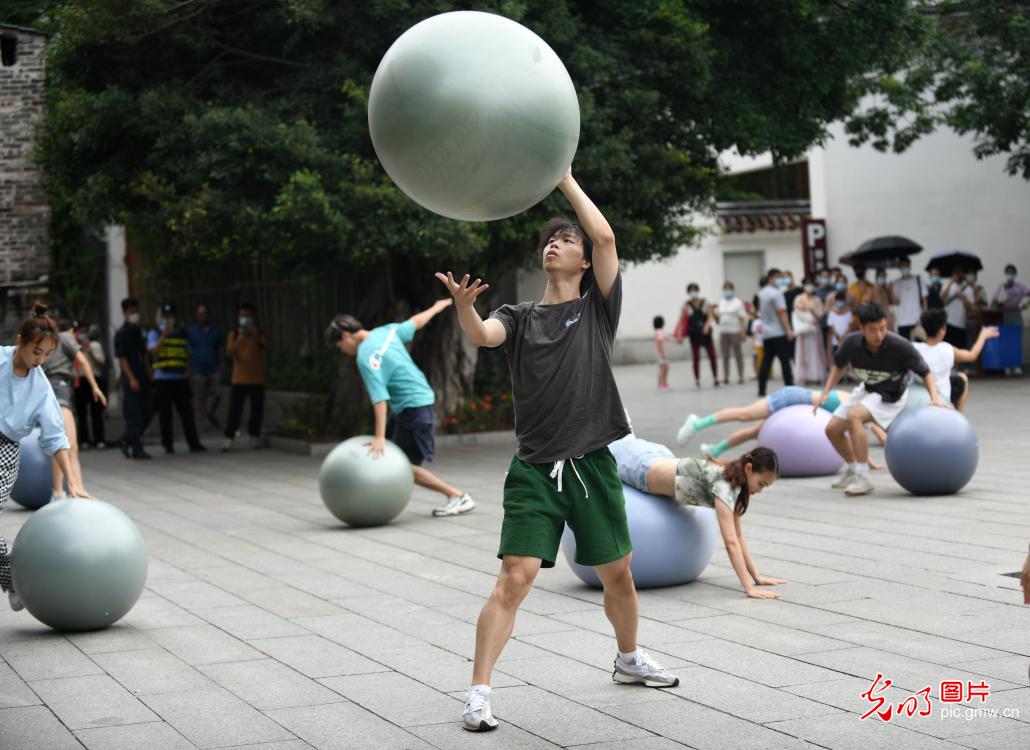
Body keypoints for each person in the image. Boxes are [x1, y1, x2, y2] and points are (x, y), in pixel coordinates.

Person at [437, 167, 679, 733]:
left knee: (618, 575)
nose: (555, 243)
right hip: (535, 470)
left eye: (565, 240)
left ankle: (627, 658)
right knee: (514, 578)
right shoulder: (518, 317)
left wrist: (563, 176)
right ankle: (478, 692)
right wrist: (464, 306)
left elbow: (607, 239)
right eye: (549, 238)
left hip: (594, 461)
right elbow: (481, 336)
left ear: (584, 263)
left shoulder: (598, 308)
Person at [326, 300, 476, 518]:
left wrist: (378, 437)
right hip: (414, 403)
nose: (343, 351)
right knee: (389, 454)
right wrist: (436, 307)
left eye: (340, 347)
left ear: (345, 336)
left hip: (413, 408)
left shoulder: (366, 357)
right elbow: (415, 322)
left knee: (404, 466)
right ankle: (375, 498)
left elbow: (379, 399)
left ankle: (457, 495)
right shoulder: (385, 332)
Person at [609, 435, 786, 598]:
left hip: (660, 457)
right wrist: (749, 588)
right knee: (605, 443)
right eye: (761, 483)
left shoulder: (733, 481)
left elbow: (739, 537)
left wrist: (757, 577)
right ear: (748, 469)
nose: (760, 490)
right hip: (641, 465)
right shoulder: (724, 487)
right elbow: (731, 543)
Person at [2, 304, 92, 611]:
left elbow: (56, 437)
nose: (39, 360)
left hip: (6, 451)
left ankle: (11, 578)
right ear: (20, 341)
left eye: (46, 355)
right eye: (35, 351)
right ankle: (10, 577)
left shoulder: (41, 386)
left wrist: (71, 482)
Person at [816, 303, 941, 496]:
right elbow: (838, 365)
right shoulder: (851, 343)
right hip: (869, 387)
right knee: (832, 430)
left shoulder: (899, 346)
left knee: (854, 416)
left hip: (892, 394)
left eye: (883, 328)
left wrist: (935, 399)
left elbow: (926, 373)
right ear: (862, 328)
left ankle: (864, 477)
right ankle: (852, 469)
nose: (879, 335)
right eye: (873, 330)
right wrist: (825, 392)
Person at [677, 385, 886, 459]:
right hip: (792, 398)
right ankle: (696, 424)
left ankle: (714, 451)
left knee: (755, 433)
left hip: (795, 411)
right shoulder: (856, 406)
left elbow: (858, 443)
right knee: (745, 414)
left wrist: (867, 462)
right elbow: (879, 435)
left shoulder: (860, 412)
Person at [43, 318, 106, 499]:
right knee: (67, 444)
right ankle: (62, 492)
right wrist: (95, 386)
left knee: (65, 443)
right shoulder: (65, 337)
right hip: (59, 388)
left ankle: (72, 491)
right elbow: (84, 361)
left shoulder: (51, 341)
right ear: (72, 331)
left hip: (53, 389)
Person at [913, 309, 998, 412]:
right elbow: (972, 355)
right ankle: (959, 415)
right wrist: (983, 336)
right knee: (963, 377)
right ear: (942, 330)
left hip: (918, 396)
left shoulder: (915, 348)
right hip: (942, 397)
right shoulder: (947, 349)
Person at [149, 303, 206, 454]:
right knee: (165, 414)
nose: (169, 319)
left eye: (171, 316)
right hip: (163, 379)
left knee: (187, 413)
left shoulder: (182, 332)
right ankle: (167, 445)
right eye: (166, 316)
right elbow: (154, 351)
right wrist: (164, 335)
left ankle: (194, 443)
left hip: (180, 378)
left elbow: (188, 355)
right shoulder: (155, 332)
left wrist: (189, 373)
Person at [222, 303, 269, 450]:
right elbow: (230, 352)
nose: (244, 318)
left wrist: (256, 335)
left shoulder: (258, 332)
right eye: (242, 315)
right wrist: (240, 338)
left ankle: (254, 436)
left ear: (253, 317)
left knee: (257, 409)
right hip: (239, 379)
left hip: (257, 378)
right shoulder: (234, 334)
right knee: (235, 410)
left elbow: (268, 346)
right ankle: (230, 437)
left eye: (247, 315)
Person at [114, 297, 152, 459]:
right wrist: (131, 379)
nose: (134, 315)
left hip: (143, 375)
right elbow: (122, 359)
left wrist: (149, 372)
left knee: (148, 410)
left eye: (136, 312)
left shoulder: (138, 331)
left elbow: (144, 355)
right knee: (134, 414)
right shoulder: (121, 334)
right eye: (131, 312)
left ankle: (126, 440)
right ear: (124, 313)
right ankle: (136, 448)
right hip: (131, 378)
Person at [756, 269, 794, 396]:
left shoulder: (762, 293)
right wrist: (788, 330)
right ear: (771, 278)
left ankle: (761, 388)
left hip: (767, 333)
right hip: (778, 332)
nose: (780, 280)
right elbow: (782, 312)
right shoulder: (777, 293)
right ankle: (790, 388)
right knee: (784, 361)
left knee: (766, 361)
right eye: (778, 277)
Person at [188, 302, 225, 431]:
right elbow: (188, 351)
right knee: (201, 395)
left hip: (213, 367)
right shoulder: (192, 332)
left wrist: (221, 364)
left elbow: (220, 348)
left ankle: (211, 412)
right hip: (198, 368)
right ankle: (204, 419)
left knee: (218, 393)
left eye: (204, 313)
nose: (202, 316)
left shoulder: (215, 330)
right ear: (196, 315)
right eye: (199, 314)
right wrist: (189, 370)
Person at [674, 283, 718, 388]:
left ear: (698, 291)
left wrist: (707, 326)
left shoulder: (705, 302)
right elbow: (681, 320)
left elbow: (710, 315)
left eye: (695, 290)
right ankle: (697, 379)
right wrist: (679, 335)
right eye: (691, 291)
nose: (693, 292)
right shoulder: (686, 305)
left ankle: (715, 377)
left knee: (712, 356)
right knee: (695, 357)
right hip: (694, 334)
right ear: (688, 292)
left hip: (706, 334)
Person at [73, 324, 108, 450]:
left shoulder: (95, 346)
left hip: (94, 379)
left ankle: (99, 439)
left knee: (96, 411)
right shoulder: (74, 347)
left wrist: (88, 350)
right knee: (81, 412)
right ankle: (84, 440)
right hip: (80, 381)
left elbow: (101, 363)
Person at [992, 264, 1030, 375]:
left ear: (1015, 274)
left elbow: (1028, 294)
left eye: (1012, 273)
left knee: (1017, 339)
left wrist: (1025, 304)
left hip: (1016, 313)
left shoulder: (1019, 287)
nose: (1010, 275)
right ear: (1005, 274)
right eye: (1008, 272)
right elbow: (995, 301)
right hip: (1005, 313)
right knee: (1006, 340)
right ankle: (1007, 365)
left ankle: (1017, 365)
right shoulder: (1001, 287)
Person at [792, 277, 826, 384]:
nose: (809, 287)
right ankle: (805, 376)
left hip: (815, 330)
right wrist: (807, 317)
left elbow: (821, 314)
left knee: (816, 353)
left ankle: (817, 376)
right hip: (804, 330)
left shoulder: (817, 300)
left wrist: (813, 313)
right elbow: (797, 312)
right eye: (807, 284)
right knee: (804, 353)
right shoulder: (799, 298)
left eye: (811, 284)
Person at [715, 282, 747, 385]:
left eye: (729, 289)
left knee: (738, 354)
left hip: (735, 331)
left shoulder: (737, 302)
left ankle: (741, 375)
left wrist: (742, 331)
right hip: (723, 331)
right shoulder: (721, 302)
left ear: (733, 290)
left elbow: (742, 317)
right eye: (725, 289)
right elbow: (718, 317)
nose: (727, 291)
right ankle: (726, 376)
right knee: (725, 355)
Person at [941, 267, 975, 348]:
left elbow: (971, 307)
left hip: (960, 323)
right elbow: (942, 299)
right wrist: (950, 283)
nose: (957, 276)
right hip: (947, 322)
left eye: (960, 274)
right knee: (947, 347)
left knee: (959, 348)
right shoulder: (947, 285)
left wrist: (963, 298)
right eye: (956, 274)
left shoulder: (968, 289)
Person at [892, 258, 925, 340]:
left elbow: (925, 299)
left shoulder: (918, 279)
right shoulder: (896, 283)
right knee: (905, 349)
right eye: (902, 265)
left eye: (906, 265)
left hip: (917, 321)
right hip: (902, 322)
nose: (904, 267)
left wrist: (924, 316)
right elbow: (896, 302)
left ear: (910, 265)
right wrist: (889, 290)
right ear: (899, 267)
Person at [653, 315, 669, 390]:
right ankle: (661, 383)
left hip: (661, 354)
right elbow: (660, 343)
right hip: (661, 354)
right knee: (663, 369)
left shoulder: (659, 331)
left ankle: (663, 382)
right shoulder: (659, 332)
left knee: (665, 368)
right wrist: (663, 353)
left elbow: (667, 337)